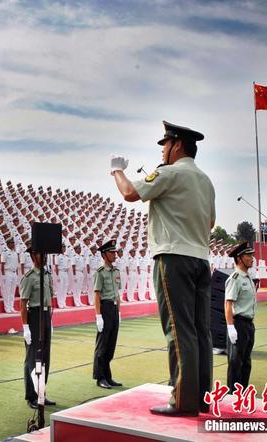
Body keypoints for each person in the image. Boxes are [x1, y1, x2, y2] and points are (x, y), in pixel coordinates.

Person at [111, 120, 215, 416]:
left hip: (173, 258)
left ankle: (183, 400)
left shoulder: (169, 173)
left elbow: (130, 193)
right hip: (200, 258)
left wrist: (116, 171)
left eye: (166, 145)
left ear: (177, 144)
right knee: (200, 331)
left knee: (179, 330)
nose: (163, 151)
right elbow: (210, 222)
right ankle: (203, 396)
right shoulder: (206, 181)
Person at [20, 245, 56, 409]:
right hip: (34, 316)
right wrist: (26, 327)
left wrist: (51, 320)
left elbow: (51, 298)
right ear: (33, 256)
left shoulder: (47, 275)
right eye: (42, 254)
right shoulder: (29, 277)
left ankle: (42, 392)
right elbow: (23, 303)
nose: (45, 257)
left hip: (46, 316)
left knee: (45, 358)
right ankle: (31, 396)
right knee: (32, 358)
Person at [225, 242, 257, 391]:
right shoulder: (235, 278)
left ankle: (242, 393)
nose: (252, 258)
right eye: (248, 255)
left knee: (246, 361)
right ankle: (232, 396)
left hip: (249, 325)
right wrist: (231, 327)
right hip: (238, 324)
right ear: (239, 258)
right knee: (235, 362)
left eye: (252, 255)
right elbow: (228, 304)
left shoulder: (247, 277)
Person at [92, 240, 123, 389]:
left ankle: (108, 376)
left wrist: (119, 312)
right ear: (104, 255)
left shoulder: (116, 271)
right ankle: (100, 377)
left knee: (111, 345)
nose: (114, 255)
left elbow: (117, 293)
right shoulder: (100, 272)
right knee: (102, 345)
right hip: (104, 308)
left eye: (115, 252)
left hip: (114, 309)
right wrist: (98, 316)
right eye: (111, 252)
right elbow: (97, 294)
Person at [0, 237, 19, 313]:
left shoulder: (15, 252)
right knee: (7, 291)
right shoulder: (5, 252)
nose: (13, 244)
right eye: (11, 243)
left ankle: (11, 306)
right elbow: (2, 264)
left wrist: (16, 273)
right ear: (8, 244)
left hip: (14, 273)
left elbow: (16, 264)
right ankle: (7, 307)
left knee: (12, 292)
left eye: (13, 243)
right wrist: (3, 275)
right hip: (7, 272)